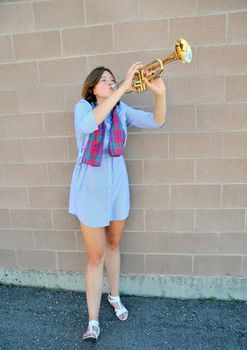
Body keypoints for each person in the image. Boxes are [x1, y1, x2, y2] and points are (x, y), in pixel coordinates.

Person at [68, 62, 166, 342]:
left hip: (117, 184)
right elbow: (89, 125)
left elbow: (156, 121)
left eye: (113, 80)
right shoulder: (83, 108)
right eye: (106, 80)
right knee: (95, 256)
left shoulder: (122, 111)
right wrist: (124, 86)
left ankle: (114, 295)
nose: (111, 83)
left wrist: (160, 94)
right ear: (92, 87)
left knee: (113, 244)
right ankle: (93, 320)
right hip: (91, 188)